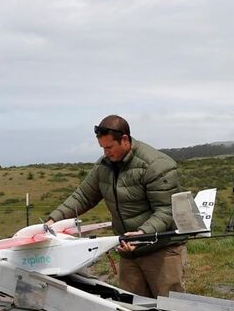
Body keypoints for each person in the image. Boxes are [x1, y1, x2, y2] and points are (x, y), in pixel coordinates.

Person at [45, 115, 184, 297]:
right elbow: (83, 196)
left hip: (161, 250)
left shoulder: (156, 165)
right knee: (132, 307)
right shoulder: (104, 166)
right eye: (103, 148)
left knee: (169, 306)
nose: (106, 153)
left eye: (109, 147)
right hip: (128, 250)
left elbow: (166, 210)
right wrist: (52, 220)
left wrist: (142, 234)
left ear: (125, 140)